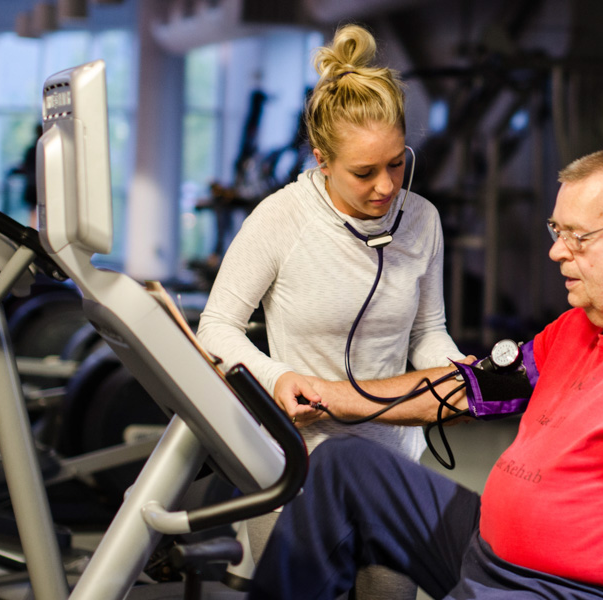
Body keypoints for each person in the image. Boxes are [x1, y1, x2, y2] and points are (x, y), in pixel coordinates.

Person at [248, 145, 603, 600]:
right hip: (489, 550)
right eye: (556, 230)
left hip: (563, 588)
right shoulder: (580, 325)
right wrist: (329, 395)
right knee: (346, 467)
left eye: (577, 236)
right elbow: (468, 388)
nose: (556, 251)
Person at [197, 23, 465, 600]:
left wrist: (454, 372)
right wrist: (277, 376)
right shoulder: (281, 218)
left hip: (391, 458)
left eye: (396, 164)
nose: (386, 186)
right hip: (298, 457)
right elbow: (215, 327)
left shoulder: (422, 221)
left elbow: (428, 331)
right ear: (321, 160)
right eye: (364, 173)